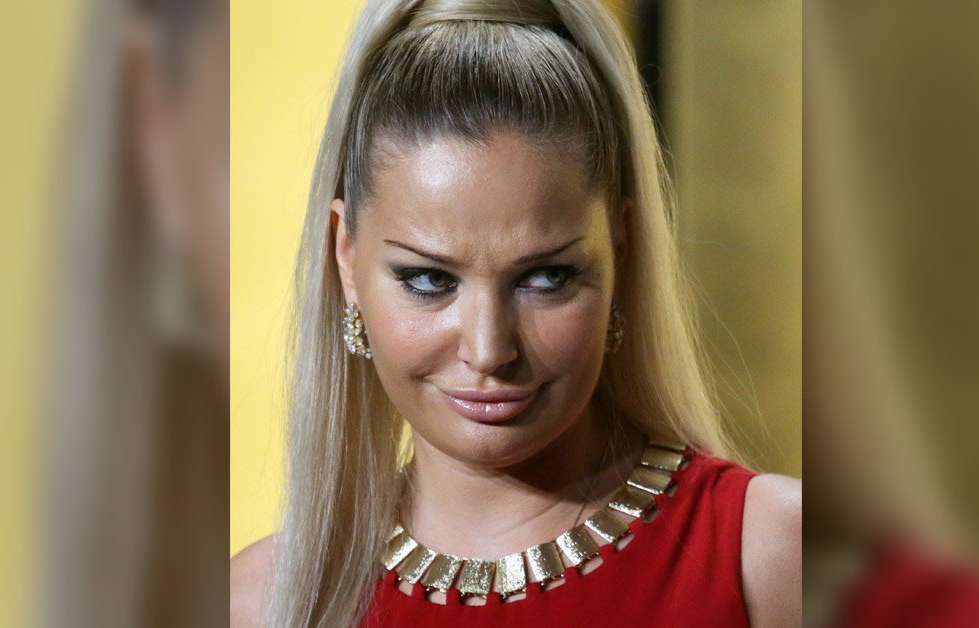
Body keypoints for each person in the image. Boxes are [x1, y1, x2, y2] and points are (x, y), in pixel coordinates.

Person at [231, 1, 800, 626]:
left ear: (622, 250)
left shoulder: (772, 556)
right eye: (429, 279)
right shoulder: (257, 603)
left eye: (545, 277)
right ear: (346, 258)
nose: (488, 349)